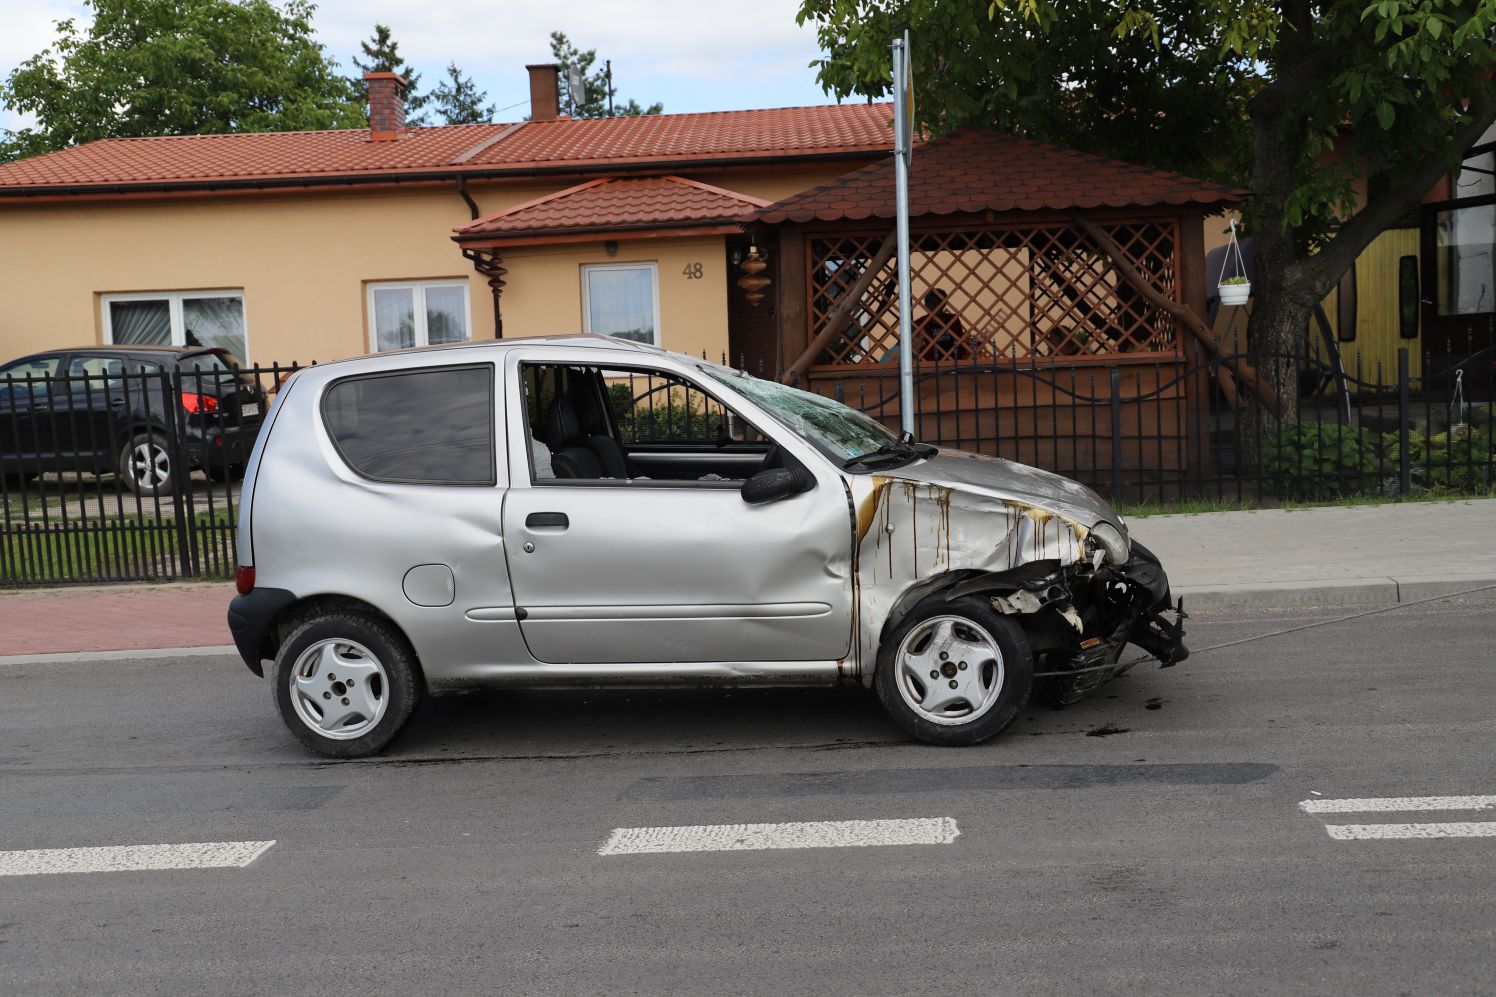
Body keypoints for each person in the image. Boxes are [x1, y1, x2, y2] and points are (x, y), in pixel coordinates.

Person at [914, 288, 972, 362]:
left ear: (943, 304)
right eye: (928, 302)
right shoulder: (920, 323)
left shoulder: (953, 320)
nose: (930, 305)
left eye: (934, 302)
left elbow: (961, 342)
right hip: (930, 365)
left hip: (953, 363)